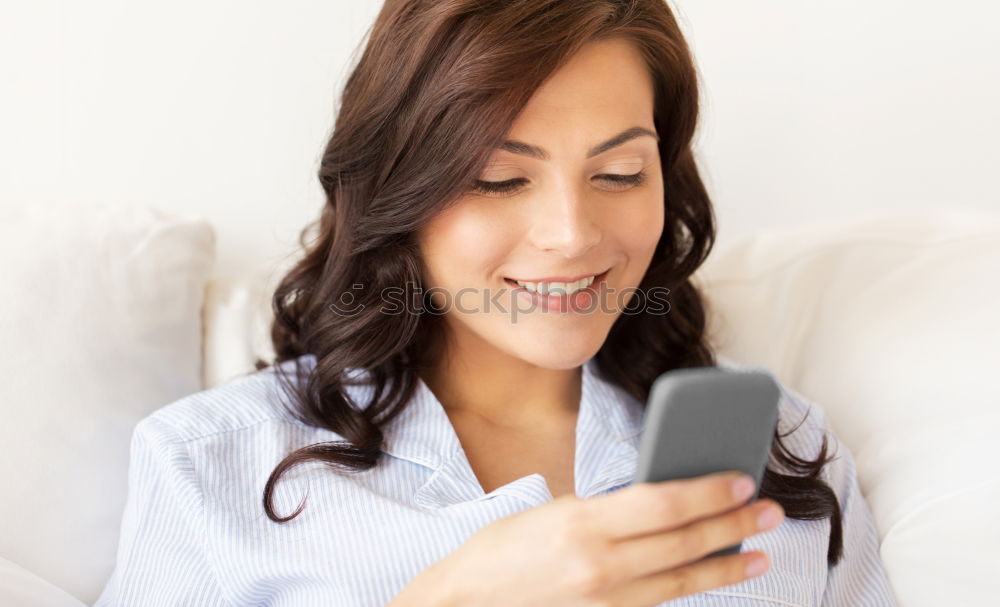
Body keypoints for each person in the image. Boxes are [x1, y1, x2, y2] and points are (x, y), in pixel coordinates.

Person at [94, 1, 897, 605]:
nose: (571, 235)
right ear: (400, 187)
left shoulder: (784, 457)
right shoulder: (209, 465)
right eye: (500, 179)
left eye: (619, 174)